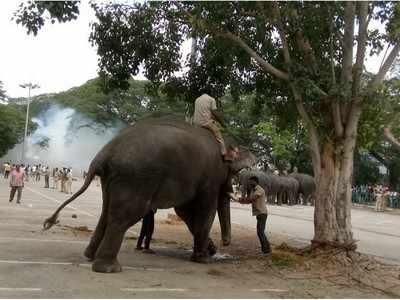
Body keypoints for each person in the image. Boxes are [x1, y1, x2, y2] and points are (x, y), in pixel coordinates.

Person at [193, 93, 237, 161]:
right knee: (219, 136)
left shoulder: (197, 99)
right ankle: (224, 154)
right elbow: (215, 113)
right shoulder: (211, 99)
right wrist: (222, 123)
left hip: (195, 122)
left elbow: (207, 114)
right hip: (206, 122)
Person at [238, 176, 271, 255]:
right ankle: (266, 249)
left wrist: (241, 199)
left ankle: (266, 250)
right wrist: (241, 201)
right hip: (259, 213)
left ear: (255, 182)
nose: (249, 183)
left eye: (251, 182)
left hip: (262, 213)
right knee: (260, 232)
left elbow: (252, 198)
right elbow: (250, 200)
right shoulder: (253, 190)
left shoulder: (259, 190)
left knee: (260, 232)